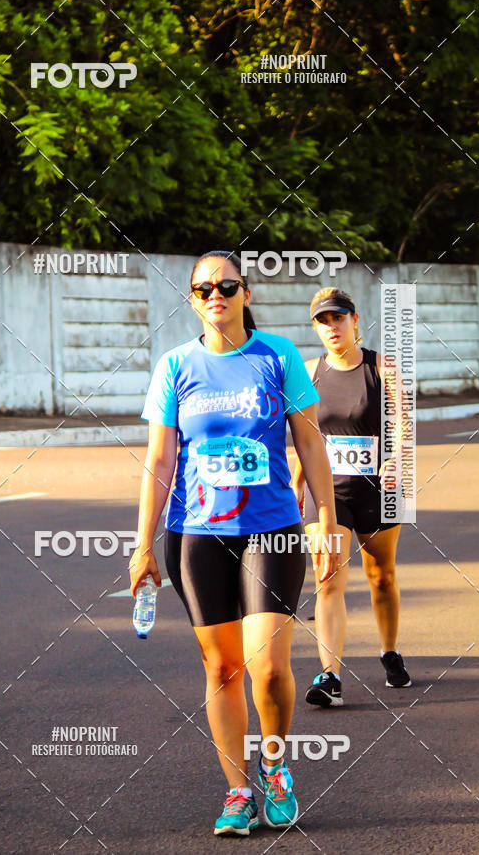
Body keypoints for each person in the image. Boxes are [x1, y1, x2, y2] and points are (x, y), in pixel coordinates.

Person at [129, 250, 339, 837]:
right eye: (202, 289)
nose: (214, 294)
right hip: (197, 533)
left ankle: (274, 766)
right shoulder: (175, 365)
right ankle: (237, 789)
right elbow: (160, 458)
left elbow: (311, 443)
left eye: (227, 285)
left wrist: (325, 519)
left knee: (268, 668)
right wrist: (143, 544)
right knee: (221, 668)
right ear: (193, 299)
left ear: (246, 293)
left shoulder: (278, 355)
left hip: (271, 527)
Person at [291, 287, 411, 709]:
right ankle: (330, 676)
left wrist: (396, 460)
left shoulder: (383, 367)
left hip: (380, 488)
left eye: (338, 318)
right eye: (322, 321)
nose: (332, 327)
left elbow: (401, 423)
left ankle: (389, 650)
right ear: (316, 329)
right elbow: (306, 436)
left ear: (354, 319)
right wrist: (295, 483)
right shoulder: (307, 372)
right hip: (329, 493)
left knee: (382, 576)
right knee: (329, 579)